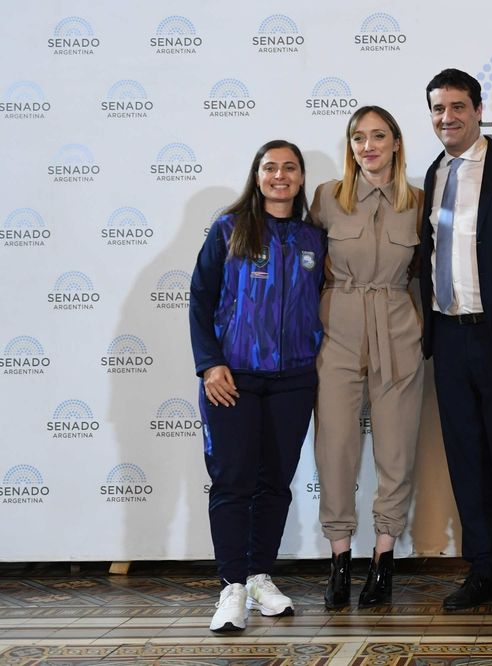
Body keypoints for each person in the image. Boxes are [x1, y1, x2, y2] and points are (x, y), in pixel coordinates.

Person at [189, 140, 326, 632]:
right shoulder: (229, 229)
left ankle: (259, 576)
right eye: (271, 167)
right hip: (234, 377)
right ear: (257, 175)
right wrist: (210, 364)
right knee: (232, 481)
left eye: (290, 168)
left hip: (294, 379)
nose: (280, 176)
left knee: (274, 483)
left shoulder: (314, 237)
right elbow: (200, 299)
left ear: (301, 177)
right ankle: (231, 587)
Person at [418, 68, 492, 612]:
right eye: (439, 109)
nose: (448, 118)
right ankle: (481, 567)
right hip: (446, 334)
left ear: (479, 109)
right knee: (465, 456)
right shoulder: (433, 172)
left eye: (457, 107)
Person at [310, 106, 424, 609]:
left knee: (395, 452)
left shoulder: (418, 202)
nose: (368, 145)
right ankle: (339, 558)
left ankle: (383, 558)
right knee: (334, 449)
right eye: (359, 137)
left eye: (379, 136)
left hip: (398, 328)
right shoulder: (326, 198)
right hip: (338, 330)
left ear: (396, 143)